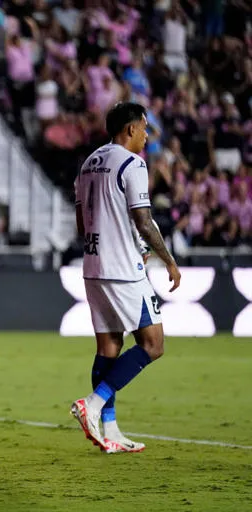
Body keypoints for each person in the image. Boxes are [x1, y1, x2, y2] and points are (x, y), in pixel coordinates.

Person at [71, 102, 181, 454]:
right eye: (145, 128)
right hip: (123, 272)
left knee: (109, 348)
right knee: (153, 344)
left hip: (93, 268)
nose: (147, 135)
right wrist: (169, 261)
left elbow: (81, 222)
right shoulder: (132, 164)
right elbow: (143, 221)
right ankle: (94, 402)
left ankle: (111, 431)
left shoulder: (88, 163)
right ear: (130, 129)